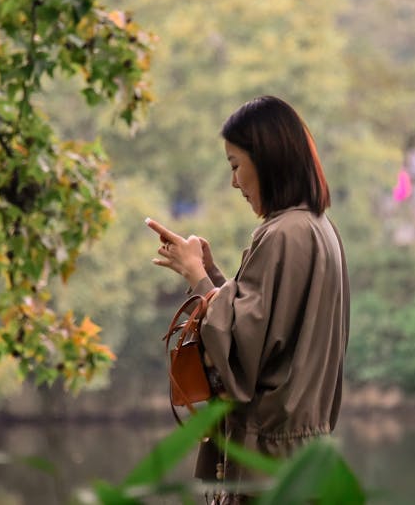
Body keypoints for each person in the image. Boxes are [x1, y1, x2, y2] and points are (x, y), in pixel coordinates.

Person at [145, 95, 350, 503]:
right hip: (305, 459)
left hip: (269, 462)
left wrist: (198, 278)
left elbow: (242, 350)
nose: (234, 182)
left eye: (236, 166)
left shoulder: (280, 235)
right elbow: (267, 320)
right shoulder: (317, 228)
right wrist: (214, 274)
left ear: (268, 159)